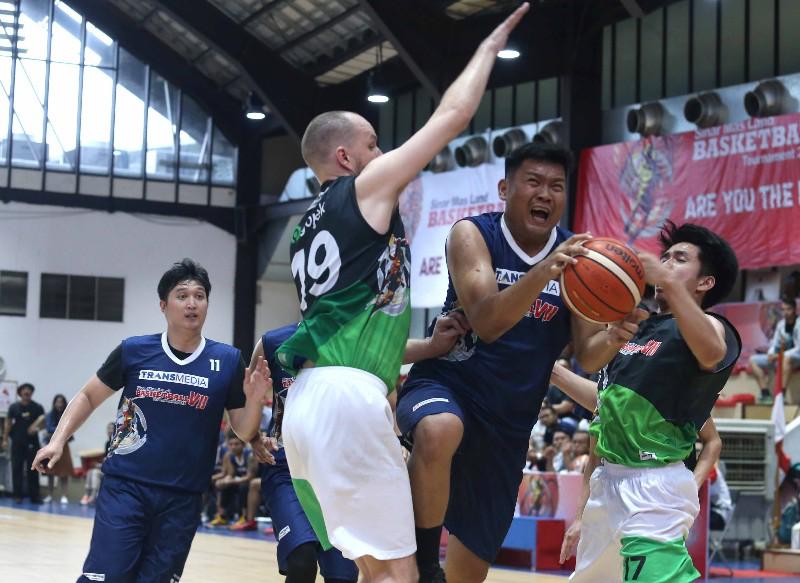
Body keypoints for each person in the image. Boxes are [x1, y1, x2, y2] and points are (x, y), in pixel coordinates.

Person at [273, 5, 530, 582]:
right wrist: (489, 46)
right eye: (372, 143)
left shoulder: (303, 229)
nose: (380, 152)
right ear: (346, 158)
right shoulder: (361, 190)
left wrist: (426, 348)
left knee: (370, 568)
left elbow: (347, 337)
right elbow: (454, 114)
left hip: (309, 403)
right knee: (400, 575)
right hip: (349, 404)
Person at [396, 141, 646, 583]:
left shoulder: (579, 259)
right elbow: (488, 322)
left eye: (556, 186)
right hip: (448, 383)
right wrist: (544, 271)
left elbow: (588, 354)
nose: (545, 194)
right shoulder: (472, 234)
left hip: (509, 420)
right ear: (504, 187)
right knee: (440, 429)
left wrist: (614, 333)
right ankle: (422, 561)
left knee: (470, 573)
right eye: (533, 182)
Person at [31, 258, 271, 583]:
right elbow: (88, 396)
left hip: (183, 497)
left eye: (199, 296)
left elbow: (243, 429)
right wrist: (57, 441)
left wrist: (255, 401)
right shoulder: (135, 351)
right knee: (108, 577)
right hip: (126, 487)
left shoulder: (227, 360)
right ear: (163, 304)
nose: (192, 304)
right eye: (182, 295)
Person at [556, 222, 741, 583]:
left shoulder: (712, 327)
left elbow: (713, 351)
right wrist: (554, 373)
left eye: (680, 259)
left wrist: (669, 281)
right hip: (607, 483)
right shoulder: (637, 326)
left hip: (655, 485)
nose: (666, 263)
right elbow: (606, 400)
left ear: (705, 282)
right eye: (665, 257)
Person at [255, 314, 467, 583]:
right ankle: (427, 567)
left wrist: (429, 346)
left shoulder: (363, 335)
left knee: (347, 574)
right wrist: (253, 437)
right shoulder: (273, 342)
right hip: (289, 464)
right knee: (302, 560)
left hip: (343, 457)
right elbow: (244, 399)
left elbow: (386, 399)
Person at [750, 296, 800, 403]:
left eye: (788, 309)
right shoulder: (781, 324)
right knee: (753, 360)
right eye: (783, 309)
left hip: (796, 357)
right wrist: (771, 354)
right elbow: (774, 343)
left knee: (786, 358)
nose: (785, 312)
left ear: (794, 310)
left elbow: (799, 348)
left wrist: (779, 356)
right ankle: (765, 393)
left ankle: (781, 395)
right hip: (781, 358)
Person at [2, 382, 45, 504]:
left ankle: (35, 496)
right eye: (24, 390)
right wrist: (5, 439)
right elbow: (8, 423)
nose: (27, 392)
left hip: (32, 443)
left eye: (29, 390)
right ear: (20, 393)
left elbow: (42, 424)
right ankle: (17, 495)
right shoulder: (14, 407)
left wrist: (35, 426)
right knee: (17, 469)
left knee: (33, 469)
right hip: (17, 442)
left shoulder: (37, 407)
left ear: (31, 393)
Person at [209, 432, 256, 526]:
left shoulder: (250, 455)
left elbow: (250, 477)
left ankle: (244, 517)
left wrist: (231, 480)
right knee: (223, 485)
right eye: (231, 444)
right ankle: (222, 516)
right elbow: (230, 473)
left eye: (236, 444)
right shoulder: (229, 456)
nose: (233, 447)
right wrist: (225, 481)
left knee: (243, 487)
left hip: (250, 482)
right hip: (238, 480)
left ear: (243, 445)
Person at [43, 393, 74, 504]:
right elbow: (48, 428)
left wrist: (61, 430)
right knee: (50, 472)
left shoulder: (68, 415)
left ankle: (64, 495)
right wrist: (61, 429)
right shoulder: (49, 415)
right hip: (51, 445)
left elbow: (71, 429)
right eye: (57, 402)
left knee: (64, 473)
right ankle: (50, 495)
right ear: (54, 403)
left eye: (61, 402)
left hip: (64, 446)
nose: (59, 404)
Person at [80, 421, 115, 506]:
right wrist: (99, 464)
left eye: (112, 429)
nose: (109, 431)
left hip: (112, 470)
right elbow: (105, 458)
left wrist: (100, 465)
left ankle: (93, 496)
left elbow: (112, 460)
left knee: (95, 472)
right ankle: (87, 494)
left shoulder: (116, 444)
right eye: (108, 428)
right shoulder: (107, 443)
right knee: (90, 471)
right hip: (105, 467)